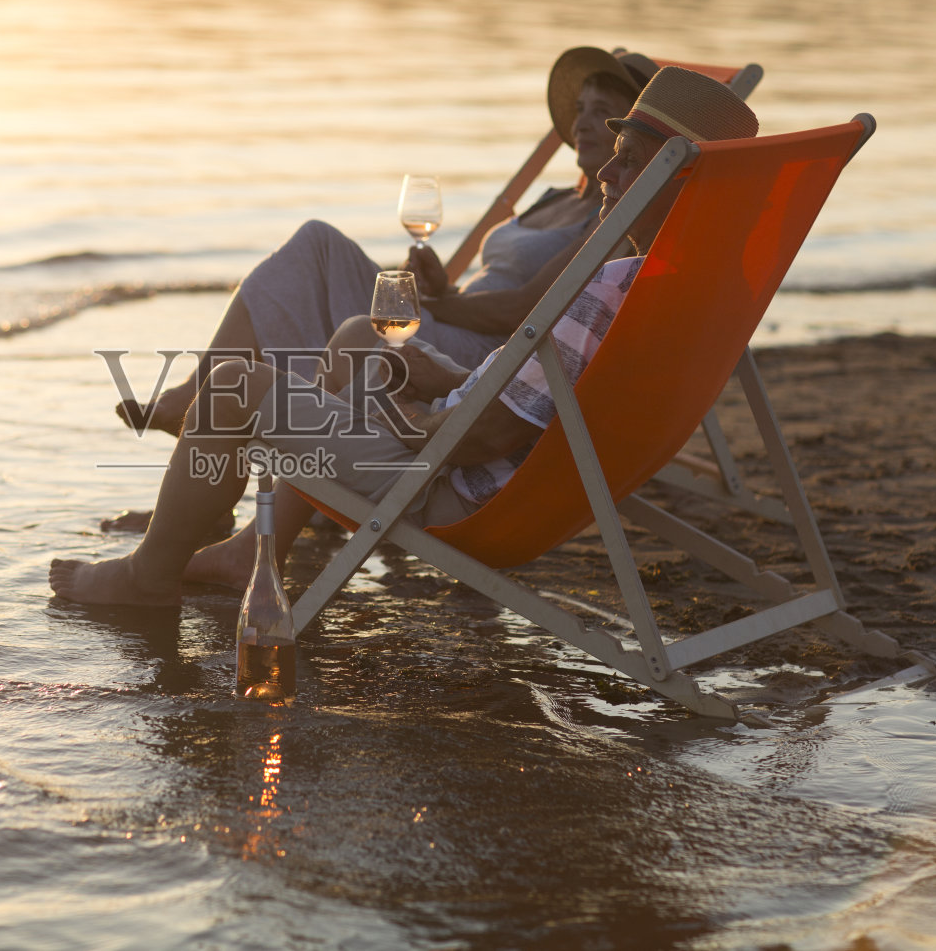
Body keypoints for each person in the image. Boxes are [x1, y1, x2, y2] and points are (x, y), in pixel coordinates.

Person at [53, 67, 758, 606]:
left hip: (445, 480)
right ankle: (252, 545)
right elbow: (545, 403)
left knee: (237, 387)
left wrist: (419, 415)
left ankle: (150, 572)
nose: (604, 168)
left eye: (627, 158)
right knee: (363, 335)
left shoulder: (608, 288)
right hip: (466, 447)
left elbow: (487, 438)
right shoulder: (678, 284)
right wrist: (446, 381)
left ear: (682, 178)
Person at [116, 46, 659, 436]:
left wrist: (436, 302)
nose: (587, 123)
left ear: (635, 140)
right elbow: (497, 289)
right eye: (581, 109)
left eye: (606, 115)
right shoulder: (556, 195)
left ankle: (198, 412)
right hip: (455, 317)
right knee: (310, 274)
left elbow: (524, 310)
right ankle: (203, 439)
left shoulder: (614, 214)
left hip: (483, 354)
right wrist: (445, 287)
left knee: (318, 251)